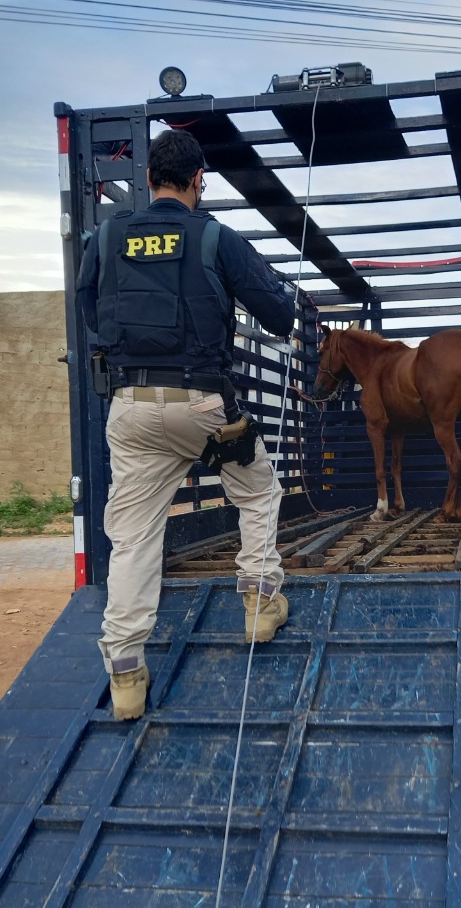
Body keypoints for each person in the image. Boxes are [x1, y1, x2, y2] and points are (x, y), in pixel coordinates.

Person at [76, 128, 298, 720]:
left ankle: (125, 671)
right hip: (203, 407)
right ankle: (259, 600)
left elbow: (92, 311)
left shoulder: (103, 239)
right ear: (200, 180)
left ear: (149, 180)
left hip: (130, 408)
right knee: (258, 492)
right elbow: (278, 315)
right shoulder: (213, 238)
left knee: (134, 536)